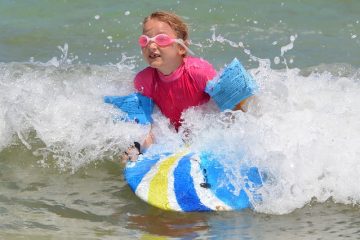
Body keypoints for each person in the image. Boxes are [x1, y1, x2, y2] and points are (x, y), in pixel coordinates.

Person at [122, 11, 249, 162]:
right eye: (145, 40)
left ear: (181, 48)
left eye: (161, 39)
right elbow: (150, 125)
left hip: (205, 135)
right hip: (171, 138)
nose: (151, 45)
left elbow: (233, 111)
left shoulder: (200, 72)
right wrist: (136, 148)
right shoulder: (143, 81)